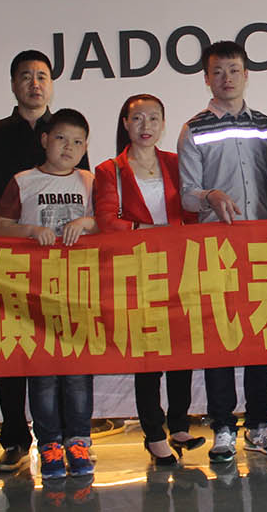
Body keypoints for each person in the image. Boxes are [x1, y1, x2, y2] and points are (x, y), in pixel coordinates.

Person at [177, 41, 267, 464]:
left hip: (262, 245)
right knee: (221, 339)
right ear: (206, 78)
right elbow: (187, 195)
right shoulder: (194, 129)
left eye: (234, 70)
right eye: (218, 71)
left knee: (261, 335)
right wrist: (209, 195)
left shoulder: (266, 126)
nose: (227, 78)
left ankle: (259, 426)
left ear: (246, 75)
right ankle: (223, 427)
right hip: (216, 248)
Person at [0, 49, 89, 474]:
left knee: (69, 364)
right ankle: (20, 441)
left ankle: (71, 440)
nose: (35, 83)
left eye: (42, 75)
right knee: (19, 359)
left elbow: (99, 211)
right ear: (13, 83)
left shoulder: (76, 151)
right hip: (16, 270)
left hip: (69, 279)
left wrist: (86, 223)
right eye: (26, 76)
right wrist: (20, 233)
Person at [92, 93, 205, 465]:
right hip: (138, 270)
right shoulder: (110, 170)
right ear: (126, 124)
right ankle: (154, 433)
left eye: (154, 118)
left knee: (181, 349)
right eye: (138, 118)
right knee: (150, 356)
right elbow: (107, 221)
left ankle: (180, 424)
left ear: (163, 124)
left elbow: (191, 210)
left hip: (177, 267)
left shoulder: (175, 163)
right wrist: (150, 232)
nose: (146, 126)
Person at [0, 108, 98, 480]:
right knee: (43, 373)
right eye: (60, 139)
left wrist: (86, 222)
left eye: (77, 142)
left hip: (79, 291)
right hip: (35, 292)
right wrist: (29, 231)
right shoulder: (23, 181)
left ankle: (79, 440)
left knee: (78, 372)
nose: (68, 147)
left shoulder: (90, 181)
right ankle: (49, 442)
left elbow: (108, 221)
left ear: (85, 147)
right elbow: (0, 226)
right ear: (44, 140)